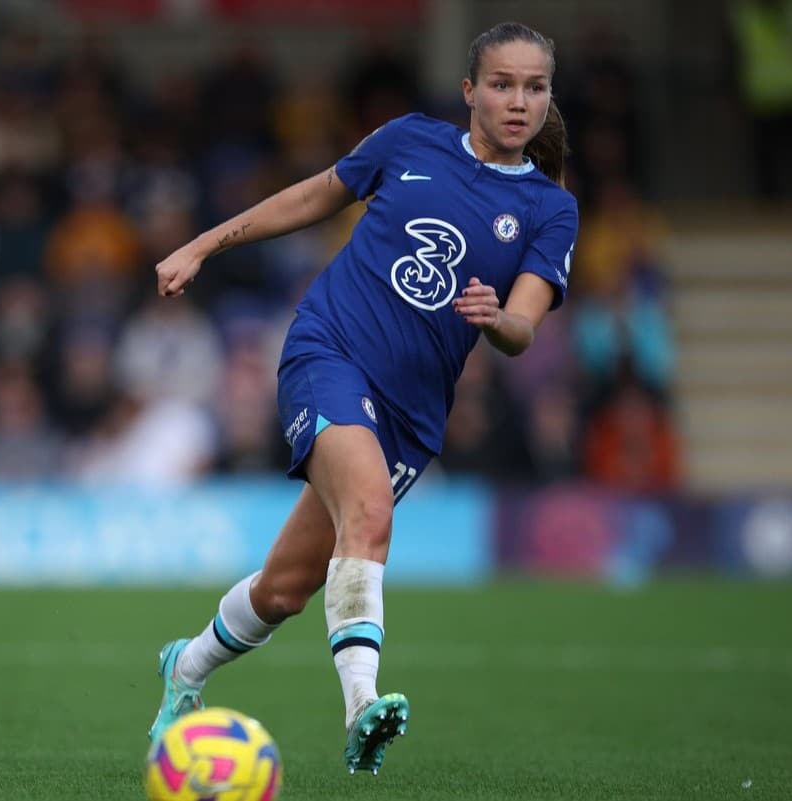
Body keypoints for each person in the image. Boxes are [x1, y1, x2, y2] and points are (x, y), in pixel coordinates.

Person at [148, 21, 579, 776]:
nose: (519, 101)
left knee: (285, 590)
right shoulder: (409, 141)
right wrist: (201, 245)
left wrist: (498, 317)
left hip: (413, 413)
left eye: (535, 87)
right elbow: (310, 198)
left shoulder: (550, 210)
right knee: (370, 512)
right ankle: (361, 704)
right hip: (328, 351)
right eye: (504, 84)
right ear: (470, 91)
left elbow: (524, 328)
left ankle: (185, 666)